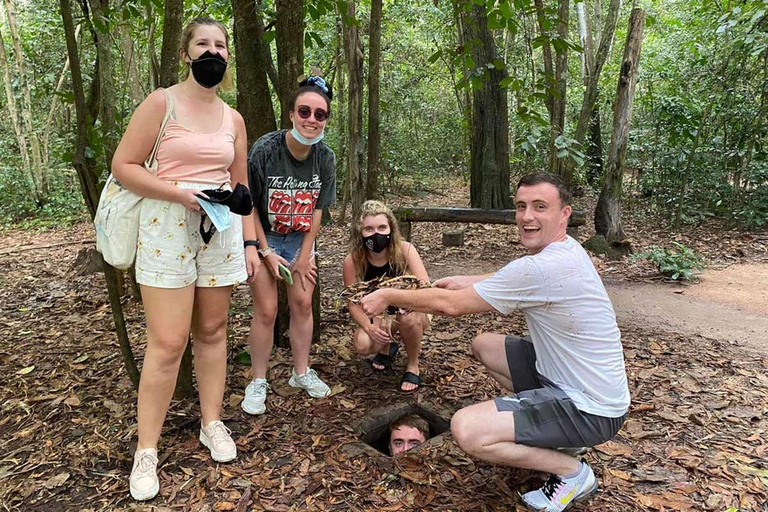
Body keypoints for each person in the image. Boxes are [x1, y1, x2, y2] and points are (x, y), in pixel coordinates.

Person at [360, 173, 630, 512]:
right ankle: (555, 437)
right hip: (573, 382)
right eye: (521, 207)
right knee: (485, 345)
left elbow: (451, 307)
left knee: (466, 429)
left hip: (591, 409)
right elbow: (514, 279)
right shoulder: (563, 251)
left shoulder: (545, 267)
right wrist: (466, 280)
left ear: (564, 214)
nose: (527, 216)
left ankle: (572, 473)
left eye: (540, 207)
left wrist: (386, 294)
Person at [111, 17, 259, 501]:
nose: (212, 52)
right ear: (186, 53)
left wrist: (249, 237)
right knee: (169, 341)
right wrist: (181, 194)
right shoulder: (162, 102)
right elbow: (124, 166)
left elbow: (242, 187)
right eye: (203, 44)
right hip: (166, 229)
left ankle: (211, 421)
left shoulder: (233, 118)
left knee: (213, 330)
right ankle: (146, 449)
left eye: (220, 45)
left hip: (216, 230)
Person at [241, 76, 336, 415]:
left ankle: (301, 371)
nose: (311, 120)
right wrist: (263, 250)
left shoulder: (324, 157)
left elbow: (318, 208)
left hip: (299, 237)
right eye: (305, 111)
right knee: (266, 309)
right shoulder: (266, 150)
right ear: (293, 113)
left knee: (302, 303)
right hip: (263, 234)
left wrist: (305, 254)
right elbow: (248, 203)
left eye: (319, 114)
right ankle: (259, 380)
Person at [342, 200, 430, 392]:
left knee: (408, 318)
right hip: (376, 314)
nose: (376, 234)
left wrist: (398, 301)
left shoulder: (405, 250)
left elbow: (425, 287)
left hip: (410, 308)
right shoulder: (353, 260)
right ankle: (386, 346)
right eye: (369, 229)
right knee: (363, 344)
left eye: (382, 227)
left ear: (391, 227)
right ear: (360, 232)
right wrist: (368, 326)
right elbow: (353, 302)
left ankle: (413, 364)